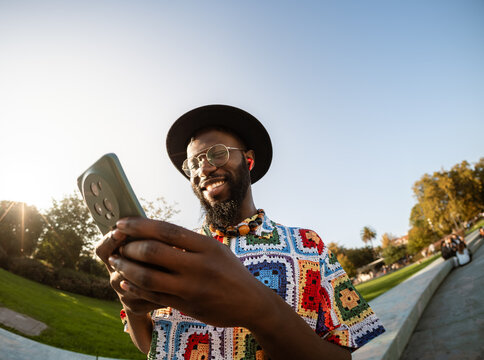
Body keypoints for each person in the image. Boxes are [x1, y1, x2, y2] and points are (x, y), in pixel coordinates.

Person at [96, 105, 385, 359]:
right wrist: (131, 301)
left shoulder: (307, 246)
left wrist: (261, 310)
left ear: (248, 160)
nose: (204, 168)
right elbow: (151, 346)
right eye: (193, 163)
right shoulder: (171, 254)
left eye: (217, 154)